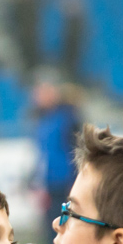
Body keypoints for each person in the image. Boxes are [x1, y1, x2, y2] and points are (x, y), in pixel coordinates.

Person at [32, 83, 81, 217]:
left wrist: (75, 177)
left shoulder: (68, 117)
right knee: (51, 223)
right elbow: (42, 153)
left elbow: (77, 147)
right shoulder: (41, 120)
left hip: (66, 180)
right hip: (49, 182)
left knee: (67, 220)